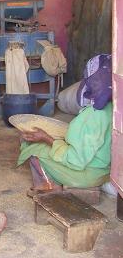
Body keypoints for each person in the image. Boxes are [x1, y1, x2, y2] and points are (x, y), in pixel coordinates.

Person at [17, 54, 112, 191]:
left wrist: (46, 138)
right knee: (45, 143)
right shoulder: (113, 108)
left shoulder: (93, 115)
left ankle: (48, 186)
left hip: (87, 175)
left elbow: (75, 160)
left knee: (34, 149)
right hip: (103, 171)